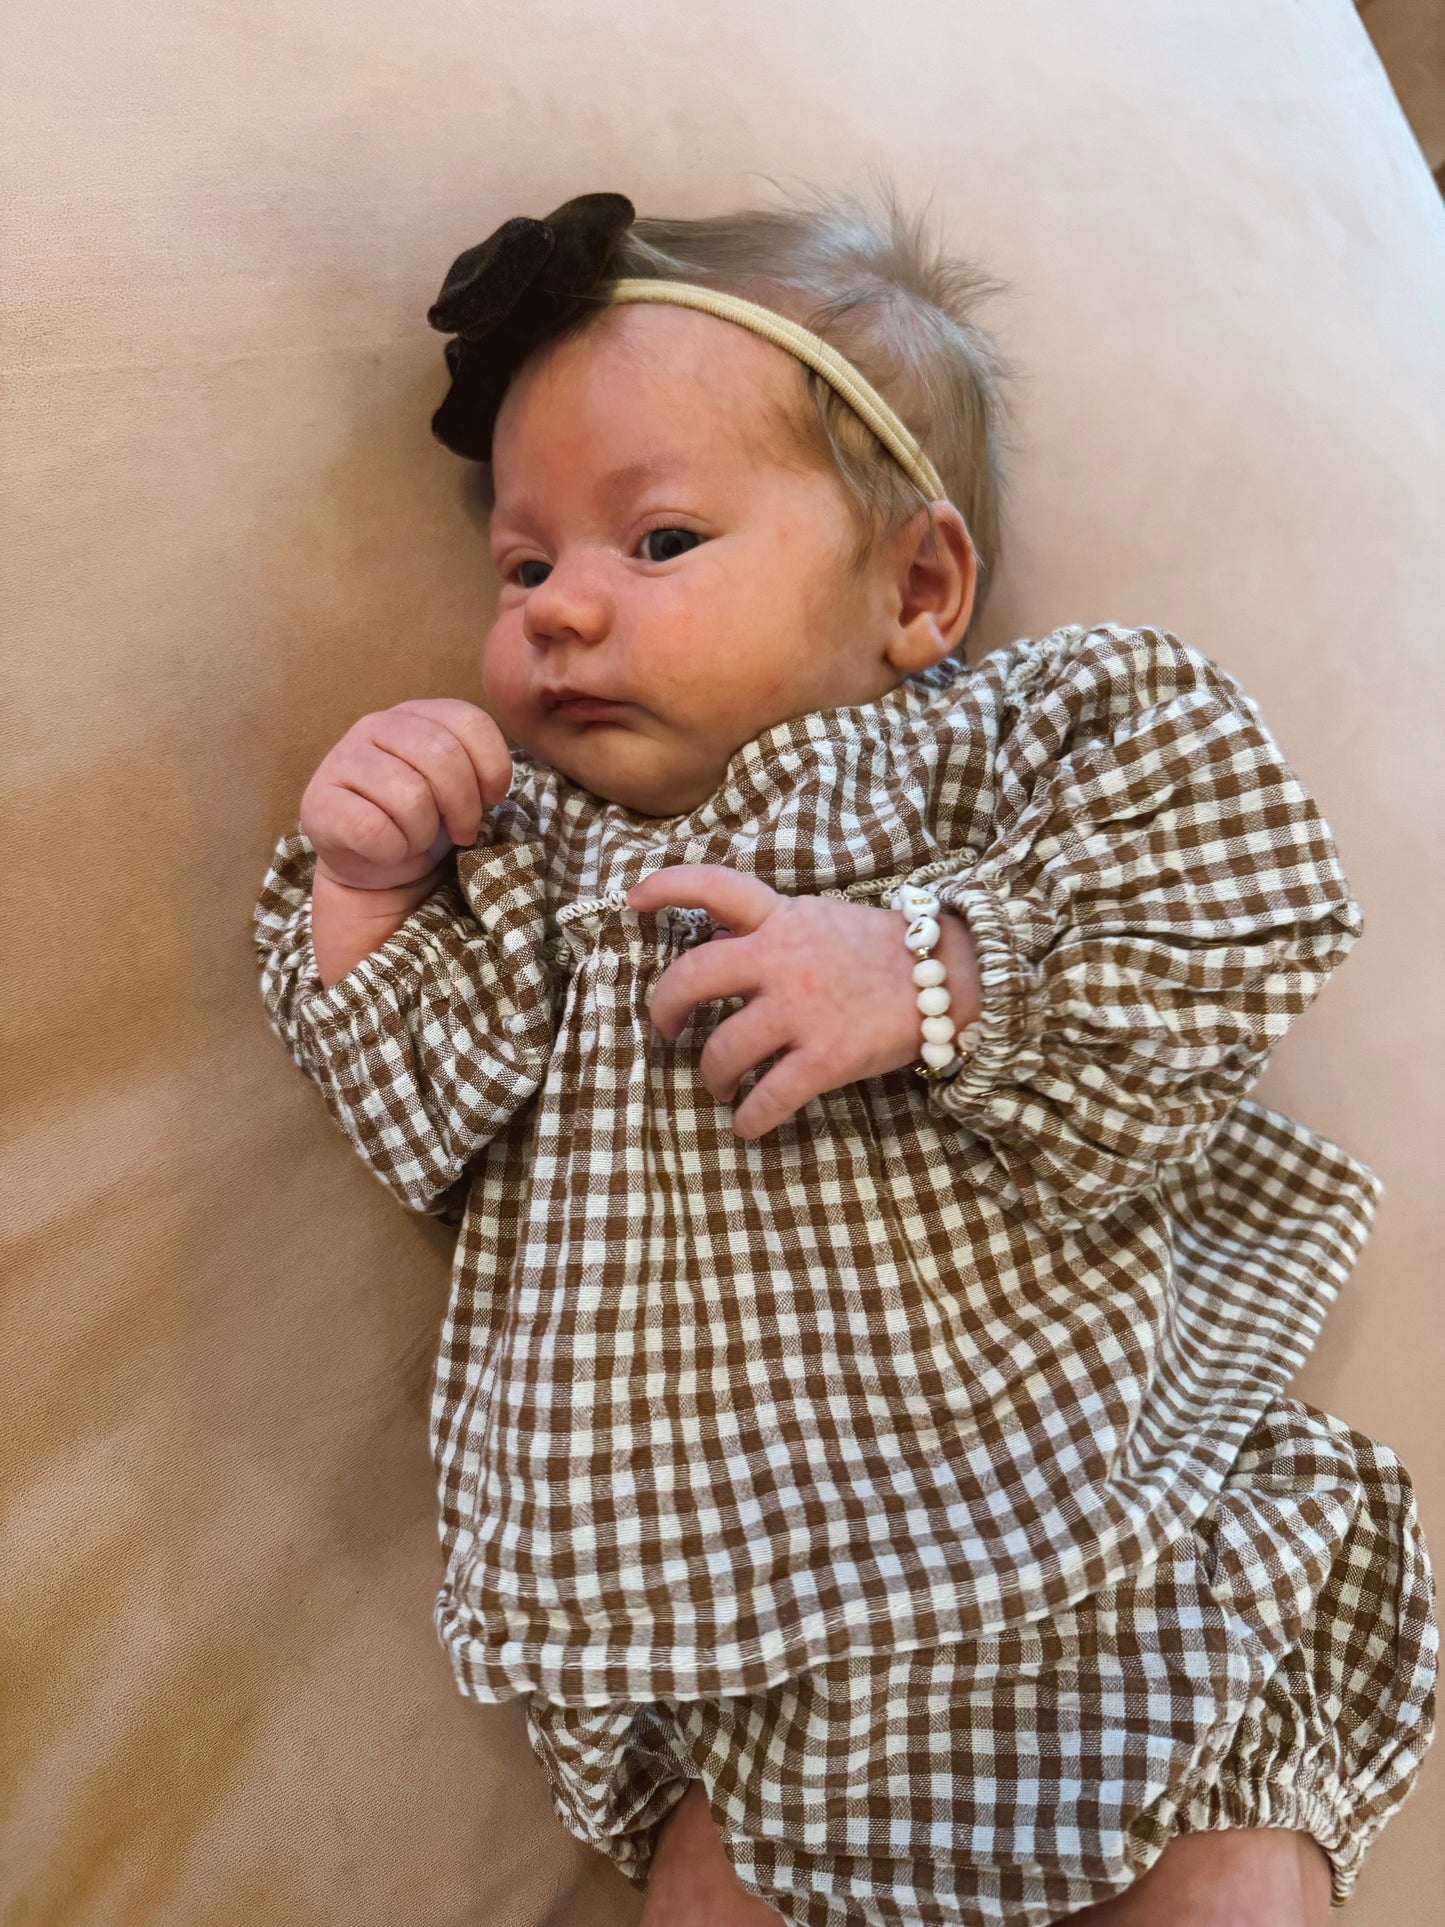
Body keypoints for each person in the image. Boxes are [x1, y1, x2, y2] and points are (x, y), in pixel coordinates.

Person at [252, 186, 1436, 1924]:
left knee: (1226, 1882)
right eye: (522, 565)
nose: (561, 611)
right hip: (729, 1635)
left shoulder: (1018, 744)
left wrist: (927, 965)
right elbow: (414, 1107)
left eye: (655, 543)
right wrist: (366, 880)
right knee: (713, 1891)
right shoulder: (545, 864)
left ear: (919, 583)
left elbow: (1237, 896)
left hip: (1116, 1546)